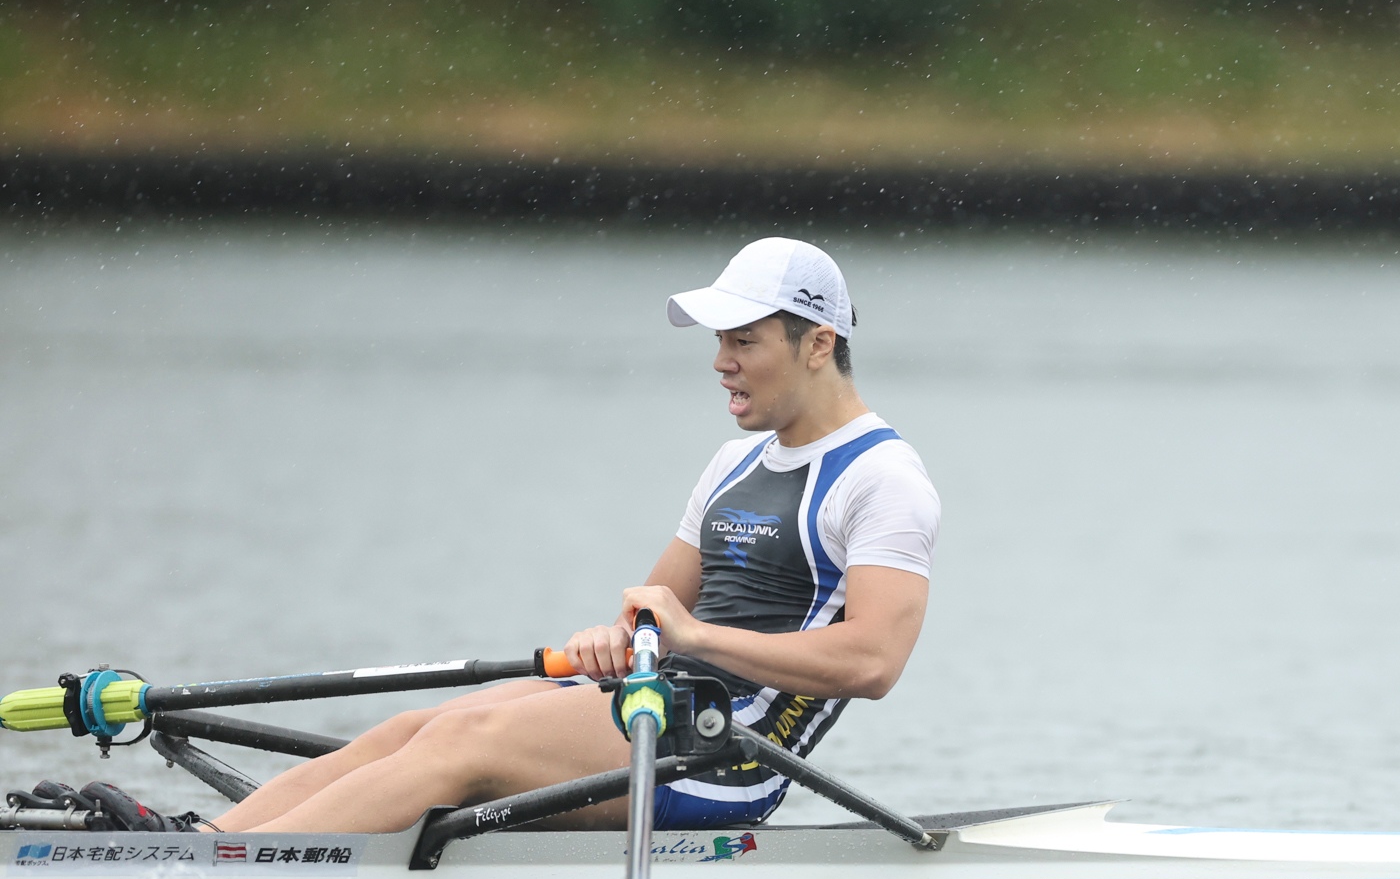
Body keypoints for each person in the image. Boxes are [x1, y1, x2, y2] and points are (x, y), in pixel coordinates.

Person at [212, 238, 939, 835]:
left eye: (744, 341)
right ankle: (200, 842)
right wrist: (613, 637)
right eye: (721, 340)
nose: (721, 362)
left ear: (818, 344)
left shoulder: (882, 478)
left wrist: (692, 637)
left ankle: (230, 872)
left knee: (460, 744)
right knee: (410, 729)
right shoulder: (734, 463)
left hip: (728, 754)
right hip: (655, 705)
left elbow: (872, 662)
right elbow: (651, 616)